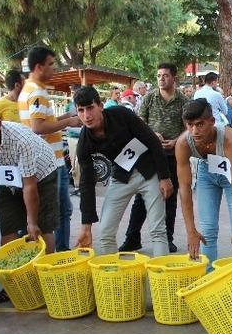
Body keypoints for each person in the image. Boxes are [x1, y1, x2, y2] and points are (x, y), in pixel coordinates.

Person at [73, 87, 173, 256]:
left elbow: (152, 140)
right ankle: (114, 278)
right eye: (80, 111)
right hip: (121, 177)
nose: (86, 116)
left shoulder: (121, 114)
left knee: (158, 231)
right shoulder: (84, 142)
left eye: (90, 108)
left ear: (100, 106)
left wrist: (164, 177)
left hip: (148, 172)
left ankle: (160, 279)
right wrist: (86, 225)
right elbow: (86, 183)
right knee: (105, 233)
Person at [0, 107, 59, 253]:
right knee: (8, 225)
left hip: (41, 175)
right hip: (8, 179)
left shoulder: (21, 140)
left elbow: (29, 185)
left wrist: (32, 222)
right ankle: (12, 272)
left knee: (41, 227)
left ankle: (44, 269)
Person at [18, 46, 79, 253]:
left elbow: (44, 121)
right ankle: (60, 254)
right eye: (51, 64)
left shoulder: (30, 89)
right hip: (51, 161)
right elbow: (38, 127)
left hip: (46, 160)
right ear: (38, 66)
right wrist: (69, 121)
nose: (54, 69)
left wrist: (66, 118)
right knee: (61, 212)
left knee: (58, 211)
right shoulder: (36, 91)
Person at [121, 63, 187, 253]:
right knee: (141, 197)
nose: (161, 79)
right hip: (149, 155)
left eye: (165, 75)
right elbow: (139, 122)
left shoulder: (183, 100)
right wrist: (152, 135)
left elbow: (187, 128)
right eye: (158, 75)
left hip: (173, 155)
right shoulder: (149, 98)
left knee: (170, 197)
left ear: (173, 77)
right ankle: (132, 238)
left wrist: (176, 141)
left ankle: (168, 238)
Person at [176, 99, 232, 266]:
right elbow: (184, 189)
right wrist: (191, 230)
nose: (194, 131)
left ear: (212, 122)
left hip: (231, 177)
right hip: (206, 172)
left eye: (200, 124)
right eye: (189, 125)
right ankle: (209, 278)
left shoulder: (230, 139)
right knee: (207, 230)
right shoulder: (183, 143)